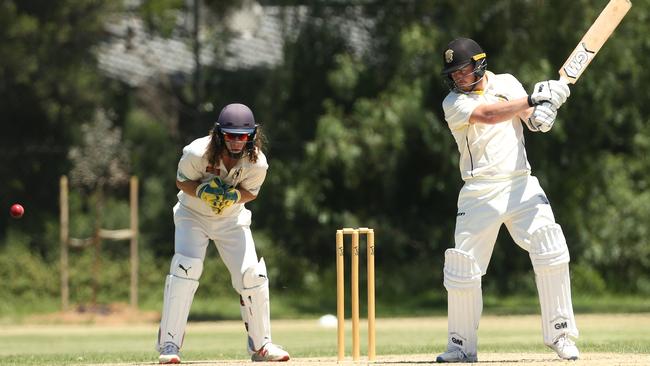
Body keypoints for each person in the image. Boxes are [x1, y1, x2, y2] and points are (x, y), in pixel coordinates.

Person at [436, 37, 579, 363]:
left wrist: (546, 109)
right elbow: (488, 114)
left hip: (520, 184)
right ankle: (461, 346)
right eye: (453, 73)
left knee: (551, 246)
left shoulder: (508, 83)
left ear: (479, 63)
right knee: (463, 268)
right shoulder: (452, 103)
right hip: (479, 191)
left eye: (463, 69)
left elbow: (532, 119)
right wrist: (532, 97)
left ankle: (561, 335)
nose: (458, 77)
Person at [157, 103, 290, 364]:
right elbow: (181, 181)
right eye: (231, 135)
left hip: (231, 219)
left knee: (253, 275)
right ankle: (169, 345)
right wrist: (203, 191)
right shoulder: (197, 152)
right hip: (193, 215)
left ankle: (261, 346)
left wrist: (233, 196)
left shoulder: (258, 162)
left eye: (242, 136)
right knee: (186, 269)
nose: (237, 141)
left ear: (252, 135)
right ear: (220, 133)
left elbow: (252, 192)